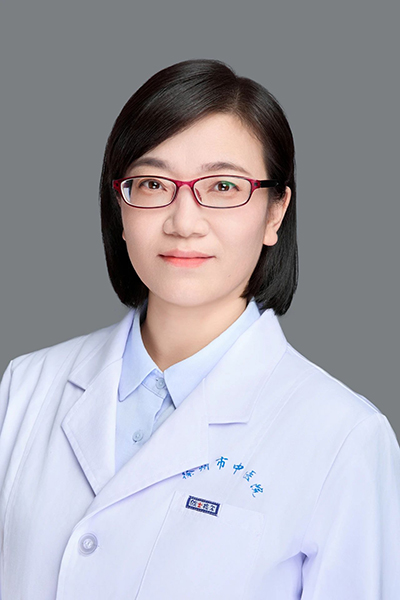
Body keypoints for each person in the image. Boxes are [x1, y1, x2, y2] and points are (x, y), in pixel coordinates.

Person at [0, 59, 399, 600]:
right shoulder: (26, 388)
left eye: (223, 186)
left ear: (275, 212)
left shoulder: (344, 439)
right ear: (120, 206)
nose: (184, 222)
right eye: (152, 183)